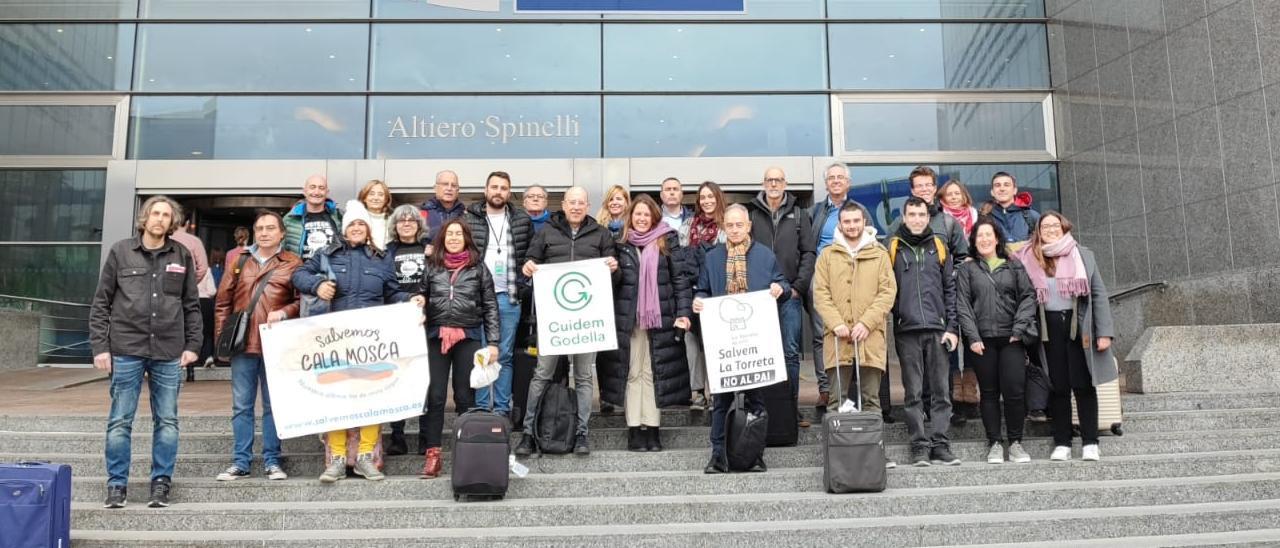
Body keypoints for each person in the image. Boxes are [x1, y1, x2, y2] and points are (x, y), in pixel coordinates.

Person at [292, 200, 423, 483]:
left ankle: (365, 457)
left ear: (368, 229)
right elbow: (298, 275)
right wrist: (317, 285)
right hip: (334, 340)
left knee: (371, 398)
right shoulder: (326, 254)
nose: (357, 228)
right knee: (336, 399)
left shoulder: (380, 257)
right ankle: (337, 459)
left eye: (361, 224)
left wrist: (409, 299)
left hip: (371, 340)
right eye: (352, 224)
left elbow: (392, 291)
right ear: (344, 228)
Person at [90, 195, 201, 509]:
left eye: (166, 215)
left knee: (167, 421)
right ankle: (116, 486)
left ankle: (161, 484)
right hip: (126, 347)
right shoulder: (121, 252)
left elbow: (191, 305)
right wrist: (101, 347)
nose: (160, 219)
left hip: (168, 350)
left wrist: (193, 346)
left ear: (172, 222)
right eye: (155, 213)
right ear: (145, 218)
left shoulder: (182, 255)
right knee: (120, 421)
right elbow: (101, 303)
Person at [514, 187, 620, 457]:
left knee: (584, 377)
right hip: (555, 321)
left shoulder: (602, 234)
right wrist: (528, 267)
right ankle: (529, 433)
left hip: (587, 320)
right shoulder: (546, 232)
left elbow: (614, 282)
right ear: (563, 204)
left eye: (581, 203)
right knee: (542, 374)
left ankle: (582, 433)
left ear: (587, 205)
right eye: (571, 202)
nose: (576, 207)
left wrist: (613, 269)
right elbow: (530, 262)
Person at [693, 204, 788, 474]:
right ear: (724, 227)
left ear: (748, 226)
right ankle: (718, 456)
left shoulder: (765, 255)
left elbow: (785, 284)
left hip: (755, 342)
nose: (734, 230)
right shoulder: (712, 257)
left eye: (739, 225)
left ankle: (755, 454)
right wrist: (699, 301)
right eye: (730, 225)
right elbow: (702, 289)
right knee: (721, 402)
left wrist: (779, 287)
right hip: (724, 344)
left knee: (757, 401)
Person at [1015, 211, 1115, 462]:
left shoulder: (1082, 254)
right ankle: (1062, 441)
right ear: (1038, 230)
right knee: (1057, 387)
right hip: (1047, 330)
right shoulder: (1027, 257)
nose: (1050, 229)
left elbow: (1098, 295)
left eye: (1054, 225)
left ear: (1064, 227)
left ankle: (1090, 441)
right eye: (1045, 226)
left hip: (1077, 327)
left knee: (1083, 384)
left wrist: (1104, 333)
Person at [212, 210, 302, 482]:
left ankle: (272, 460)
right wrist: (222, 342)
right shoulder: (239, 261)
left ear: (282, 233)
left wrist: (285, 312)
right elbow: (222, 303)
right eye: (260, 228)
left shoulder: (292, 262)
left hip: (277, 344)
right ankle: (241, 461)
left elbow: (301, 301)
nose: (264, 232)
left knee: (274, 406)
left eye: (270, 228)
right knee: (241, 405)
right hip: (242, 344)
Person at [601, 195, 692, 453]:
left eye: (646, 215)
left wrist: (683, 314)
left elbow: (680, 281)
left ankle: (652, 429)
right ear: (630, 217)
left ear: (654, 217)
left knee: (654, 373)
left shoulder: (668, 240)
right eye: (637, 215)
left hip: (660, 319)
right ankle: (634, 429)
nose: (641, 219)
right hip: (630, 321)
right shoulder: (619, 244)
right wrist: (613, 270)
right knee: (633, 373)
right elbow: (615, 284)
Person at [811, 201, 897, 469]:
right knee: (837, 401)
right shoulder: (827, 255)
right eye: (846, 222)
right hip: (837, 340)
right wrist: (836, 322)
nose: (851, 226)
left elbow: (887, 292)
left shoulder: (880, 253)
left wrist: (867, 322)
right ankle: (836, 456)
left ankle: (876, 453)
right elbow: (820, 293)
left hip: (869, 338)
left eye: (856, 221)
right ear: (840, 224)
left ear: (864, 222)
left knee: (871, 400)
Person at [418, 218, 501, 478]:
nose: (454, 238)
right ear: (442, 238)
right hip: (435, 335)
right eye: (449, 234)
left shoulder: (478, 267)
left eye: (458, 234)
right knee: (436, 397)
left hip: (469, 336)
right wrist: (419, 300)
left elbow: (490, 305)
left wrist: (494, 343)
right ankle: (432, 455)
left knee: (466, 397)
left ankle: (465, 450)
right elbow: (422, 294)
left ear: (466, 238)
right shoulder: (431, 265)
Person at [888, 197, 961, 467]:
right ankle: (919, 446)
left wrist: (952, 327)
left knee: (942, 392)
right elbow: (888, 289)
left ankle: (940, 444)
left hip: (938, 329)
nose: (917, 219)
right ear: (904, 217)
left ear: (928, 217)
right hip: (907, 331)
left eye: (921, 214)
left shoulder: (940, 246)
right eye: (912, 214)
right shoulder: (894, 247)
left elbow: (951, 291)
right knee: (913, 393)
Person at [957, 218, 1037, 464]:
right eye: (979, 235)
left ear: (997, 238)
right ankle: (994, 442)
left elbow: (1028, 297)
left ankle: (1015, 443)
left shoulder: (1014, 266)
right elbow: (963, 305)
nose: (984, 239)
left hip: (1012, 338)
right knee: (989, 393)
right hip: (982, 341)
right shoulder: (967, 269)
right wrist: (972, 337)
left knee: (1014, 390)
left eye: (988, 235)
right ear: (973, 240)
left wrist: (1019, 329)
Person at [746, 166, 815, 428]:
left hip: (790, 297)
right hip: (760, 298)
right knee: (762, 354)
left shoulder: (799, 214)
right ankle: (763, 410)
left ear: (785, 183)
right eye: (769, 180)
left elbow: (808, 253)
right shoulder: (752, 214)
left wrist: (797, 286)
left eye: (778, 180)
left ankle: (790, 409)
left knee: (789, 354)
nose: (774, 184)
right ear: (763, 184)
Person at [464, 171, 533, 417]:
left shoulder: (521, 220)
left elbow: (529, 255)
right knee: (481, 353)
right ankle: (483, 406)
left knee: (504, 355)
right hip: (477, 298)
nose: (498, 192)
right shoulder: (468, 218)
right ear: (485, 190)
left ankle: (502, 408)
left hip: (509, 296)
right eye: (494, 187)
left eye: (504, 188)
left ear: (509, 192)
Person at [678, 181, 728, 411]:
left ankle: (716, 391)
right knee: (692, 343)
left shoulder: (726, 225)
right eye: (703, 197)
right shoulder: (688, 225)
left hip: (717, 292)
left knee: (714, 344)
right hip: (691, 291)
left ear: (718, 198)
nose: (707, 201)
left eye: (711, 197)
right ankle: (697, 392)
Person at [807, 163, 851, 418]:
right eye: (831, 178)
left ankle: (847, 390)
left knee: (849, 333)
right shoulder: (816, 212)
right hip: (821, 278)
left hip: (850, 277)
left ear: (848, 182)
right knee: (820, 334)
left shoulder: (858, 210)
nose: (836, 181)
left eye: (840, 177)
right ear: (826, 184)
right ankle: (826, 389)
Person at [385, 204, 430, 456]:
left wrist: (425, 298)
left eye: (411, 220)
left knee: (424, 379)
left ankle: (425, 436)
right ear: (395, 225)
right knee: (398, 378)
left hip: (426, 320)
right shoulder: (385, 252)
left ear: (418, 224)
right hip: (398, 320)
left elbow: (438, 280)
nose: (406, 223)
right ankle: (398, 435)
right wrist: (405, 299)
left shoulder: (430, 249)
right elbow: (384, 285)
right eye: (401, 220)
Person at [886, 166, 968, 261]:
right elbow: (886, 255)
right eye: (919, 186)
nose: (924, 189)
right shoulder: (900, 222)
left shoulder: (949, 223)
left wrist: (951, 275)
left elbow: (962, 257)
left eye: (928, 185)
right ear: (912, 191)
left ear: (935, 188)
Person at [171, 218, 215, 371]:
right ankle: (189, 363)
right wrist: (188, 284)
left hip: (165, 297)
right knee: (196, 329)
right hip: (194, 297)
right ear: (188, 223)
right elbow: (202, 269)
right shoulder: (194, 241)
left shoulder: (166, 239)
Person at [283, 175, 343, 261]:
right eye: (312, 187)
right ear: (304, 191)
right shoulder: (290, 219)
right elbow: (279, 249)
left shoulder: (339, 216)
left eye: (321, 188)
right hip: (299, 271)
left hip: (331, 272)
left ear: (327, 192)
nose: (316, 192)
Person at [981, 171, 1042, 249]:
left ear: (1015, 190)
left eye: (1006, 185)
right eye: (997, 185)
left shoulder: (1031, 216)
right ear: (992, 192)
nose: (1002, 189)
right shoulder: (984, 218)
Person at [420, 170, 465, 250]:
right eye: (445, 184)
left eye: (454, 185)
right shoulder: (422, 215)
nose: (449, 188)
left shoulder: (466, 215)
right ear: (435, 188)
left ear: (458, 190)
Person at [358, 179, 393, 250]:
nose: (376, 198)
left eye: (380, 195)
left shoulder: (393, 220)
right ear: (364, 197)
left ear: (386, 199)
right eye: (371, 194)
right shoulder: (356, 219)